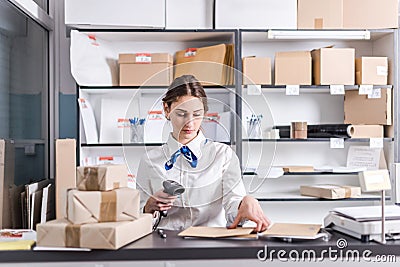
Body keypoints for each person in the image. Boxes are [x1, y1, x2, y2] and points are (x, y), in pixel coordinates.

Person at [136, 75, 270, 232]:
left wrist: (245, 203)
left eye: (197, 114)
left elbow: (233, 206)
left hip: (210, 243)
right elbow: (135, 219)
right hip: (163, 243)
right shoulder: (150, 160)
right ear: (167, 109)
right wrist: (148, 208)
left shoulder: (223, 155)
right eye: (181, 114)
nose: (190, 123)